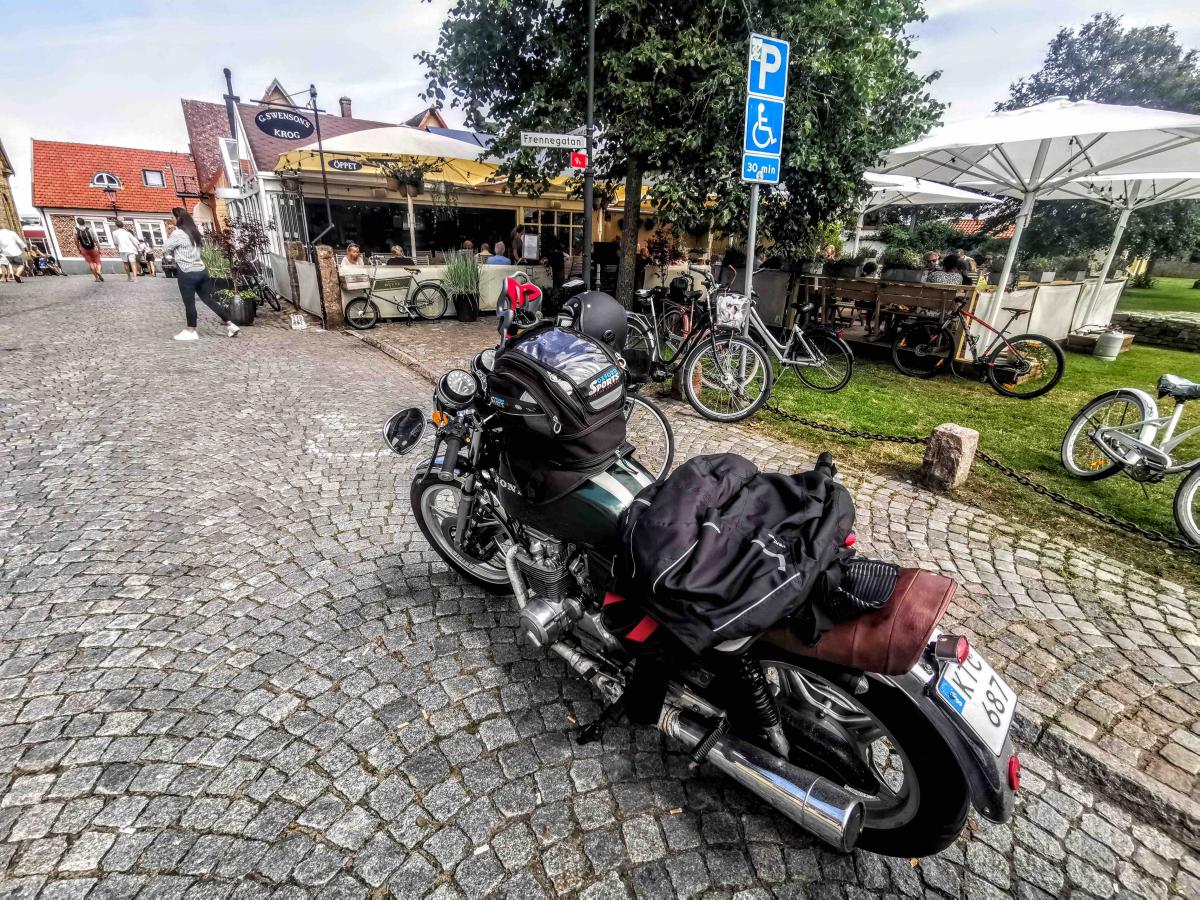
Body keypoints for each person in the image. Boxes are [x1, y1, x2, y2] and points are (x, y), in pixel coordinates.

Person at [162, 207, 240, 342]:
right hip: (201, 271)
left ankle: (191, 331)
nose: (171, 219)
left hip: (187, 272)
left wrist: (172, 252)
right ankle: (230, 324)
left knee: (189, 303)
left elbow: (165, 248)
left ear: (178, 218)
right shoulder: (194, 232)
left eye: (172, 217)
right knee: (209, 299)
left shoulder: (178, 234)